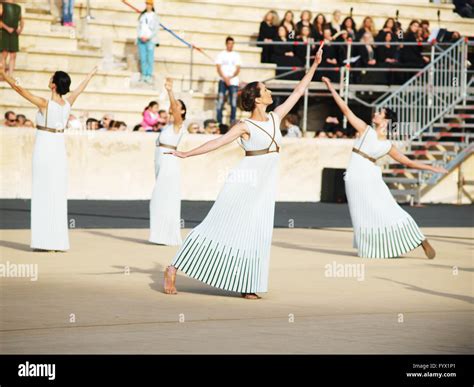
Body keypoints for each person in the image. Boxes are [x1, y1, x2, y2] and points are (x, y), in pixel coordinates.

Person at [162, 43, 325, 299]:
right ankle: (173, 267)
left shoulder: (276, 116)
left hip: (265, 185)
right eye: (266, 90)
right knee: (218, 224)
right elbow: (216, 142)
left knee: (258, 230)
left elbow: (299, 90)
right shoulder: (244, 125)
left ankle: (249, 283)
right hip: (243, 181)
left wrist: (314, 64)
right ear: (258, 98)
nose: (270, 92)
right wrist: (186, 153)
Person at [321, 76, 448, 259]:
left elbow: (409, 163)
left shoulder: (384, 142)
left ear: (386, 120)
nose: (376, 114)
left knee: (387, 208)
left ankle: (419, 238)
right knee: (362, 212)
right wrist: (330, 87)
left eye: (380, 113)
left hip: (368, 177)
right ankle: (375, 248)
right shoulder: (366, 130)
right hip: (355, 177)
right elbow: (345, 109)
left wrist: (432, 168)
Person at [1, 62, 97, 251]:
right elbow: (78, 90)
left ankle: (44, 241)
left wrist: (4, 75)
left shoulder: (45, 103)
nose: (49, 78)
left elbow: (19, 89)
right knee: (56, 193)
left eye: (51, 77)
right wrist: (90, 75)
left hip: (45, 147)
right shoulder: (67, 103)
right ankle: (56, 241)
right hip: (58, 148)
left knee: (42, 191)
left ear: (53, 85)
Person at [149, 78, 187, 246]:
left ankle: (168, 235)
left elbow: (175, 111)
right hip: (161, 160)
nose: (173, 107)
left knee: (161, 197)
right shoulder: (168, 126)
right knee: (162, 197)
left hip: (169, 162)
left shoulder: (180, 124)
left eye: (178, 106)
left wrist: (171, 92)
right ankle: (161, 235)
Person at [215, 36, 241, 125]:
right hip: (223, 80)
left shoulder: (236, 55)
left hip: (233, 82)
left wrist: (230, 78)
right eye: (229, 43)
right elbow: (218, 68)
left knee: (233, 102)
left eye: (232, 44)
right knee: (220, 101)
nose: (230, 45)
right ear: (226, 44)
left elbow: (238, 69)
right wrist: (225, 78)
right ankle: (219, 122)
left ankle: (232, 122)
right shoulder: (221, 54)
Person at [137, 0, 159, 83]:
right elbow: (139, 27)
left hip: (150, 40)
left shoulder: (155, 16)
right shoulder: (142, 15)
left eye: (149, 4)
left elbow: (156, 29)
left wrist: (148, 37)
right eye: (147, 4)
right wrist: (140, 36)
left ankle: (149, 75)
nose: (148, 6)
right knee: (143, 58)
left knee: (149, 58)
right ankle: (144, 74)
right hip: (141, 39)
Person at [0, 0, 24, 76]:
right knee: (4, 53)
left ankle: (10, 76)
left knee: (13, 55)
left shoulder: (18, 7)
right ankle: (3, 74)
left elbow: (21, 20)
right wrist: (7, 28)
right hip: (4, 32)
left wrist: (20, 29)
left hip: (14, 33)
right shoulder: (2, 5)